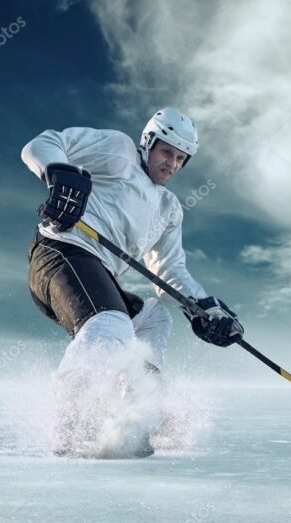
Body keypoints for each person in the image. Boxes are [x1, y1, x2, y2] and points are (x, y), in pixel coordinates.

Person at [21, 107, 244, 456]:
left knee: (154, 317)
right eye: (166, 152)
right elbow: (44, 143)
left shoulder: (169, 208)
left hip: (99, 275)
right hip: (60, 251)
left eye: (181, 158)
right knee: (112, 323)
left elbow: (169, 271)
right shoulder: (118, 150)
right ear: (148, 144)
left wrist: (206, 308)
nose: (172, 163)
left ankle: (135, 407)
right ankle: (70, 420)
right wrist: (59, 175)